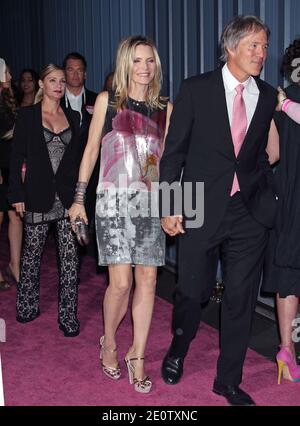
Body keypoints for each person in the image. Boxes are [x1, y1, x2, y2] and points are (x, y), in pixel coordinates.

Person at [159, 15, 279, 406]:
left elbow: (260, 154)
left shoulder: (266, 95)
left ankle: (228, 380)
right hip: (197, 204)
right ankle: (178, 349)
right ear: (231, 47)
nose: (261, 53)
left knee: (241, 297)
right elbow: (173, 155)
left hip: (248, 212)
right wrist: (169, 206)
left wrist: (265, 195)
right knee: (192, 293)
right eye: (254, 46)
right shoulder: (196, 90)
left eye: (264, 46)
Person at [69, 35, 172, 392]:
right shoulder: (107, 103)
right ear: (126, 63)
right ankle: (110, 341)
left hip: (149, 204)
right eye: (138, 60)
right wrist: (79, 199)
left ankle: (137, 354)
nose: (145, 68)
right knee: (121, 283)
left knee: (148, 281)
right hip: (112, 203)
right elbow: (91, 152)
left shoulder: (163, 107)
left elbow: (161, 163)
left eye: (150, 61)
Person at [8, 64, 83, 336]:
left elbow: (77, 160)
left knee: (70, 259)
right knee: (32, 255)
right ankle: (27, 305)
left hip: (66, 198)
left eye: (62, 81)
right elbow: (16, 157)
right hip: (36, 195)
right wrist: (16, 194)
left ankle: (68, 316)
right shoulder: (27, 115)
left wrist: (80, 196)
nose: (59, 85)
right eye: (52, 80)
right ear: (41, 84)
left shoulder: (73, 116)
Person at [263, 38, 300, 384]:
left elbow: (270, 155)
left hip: (289, 199)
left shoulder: (280, 99)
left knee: (289, 275)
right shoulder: (282, 101)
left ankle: (286, 349)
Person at [62, 52, 99, 232]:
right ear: (64, 73)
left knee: (90, 218)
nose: (75, 74)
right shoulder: (54, 101)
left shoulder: (98, 99)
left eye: (80, 70)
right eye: (71, 70)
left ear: (85, 74)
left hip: (92, 172)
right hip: (61, 172)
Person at [0, 58, 23, 290]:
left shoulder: (9, 100)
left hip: (11, 167)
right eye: (6, 71)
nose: (9, 74)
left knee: (16, 216)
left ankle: (15, 266)